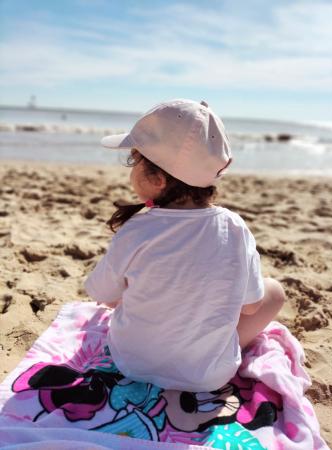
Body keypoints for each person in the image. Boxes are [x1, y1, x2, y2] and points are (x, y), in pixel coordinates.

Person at [84, 99, 285, 392]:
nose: (130, 170)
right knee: (274, 292)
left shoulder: (137, 229)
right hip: (207, 377)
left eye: (134, 160)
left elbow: (103, 295)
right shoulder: (233, 227)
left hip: (132, 364)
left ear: (158, 179)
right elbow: (252, 306)